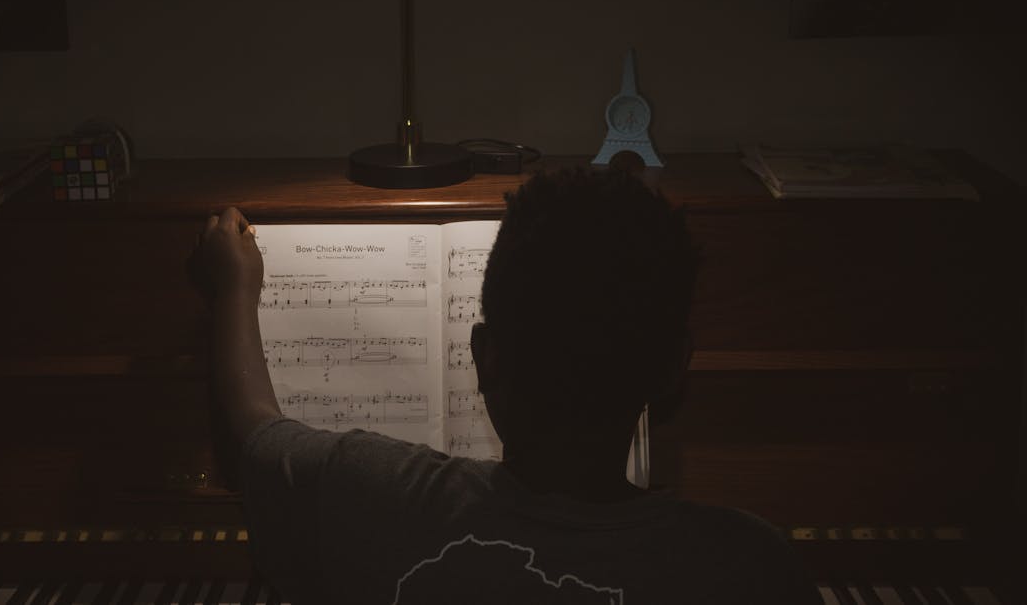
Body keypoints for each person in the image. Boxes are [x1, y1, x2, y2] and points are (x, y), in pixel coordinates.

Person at [188, 167, 819, 604]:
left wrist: (235, 285)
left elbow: (253, 431)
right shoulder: (752, 569)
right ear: (675, 366)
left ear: (484, 359)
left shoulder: (367, 495)